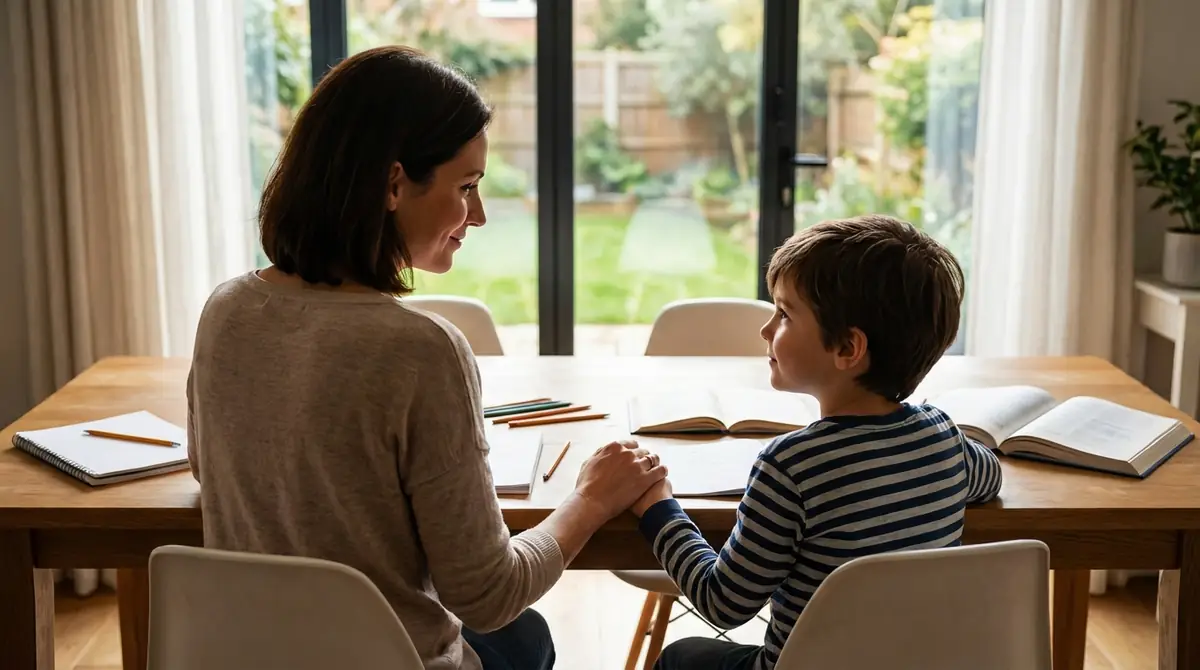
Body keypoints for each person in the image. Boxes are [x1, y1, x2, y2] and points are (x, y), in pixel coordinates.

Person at [185, 46, 667, 670]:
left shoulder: (226, 308)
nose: (480, 215)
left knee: (524, 641)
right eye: (466, 187)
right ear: (393, 184)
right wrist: (591, 499)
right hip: (386, 659)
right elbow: (489, 595)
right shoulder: (421, 349)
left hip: (251, 653)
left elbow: (207, 466)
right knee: (522, 635)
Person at [630, 215, 1004, 670]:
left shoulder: (789, 467)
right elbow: (990, 476)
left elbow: (724, 604)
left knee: (681, 657)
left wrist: (658, 507)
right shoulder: (944, 438)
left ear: (848, 349)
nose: (766, 330)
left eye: (784, 314)